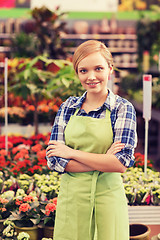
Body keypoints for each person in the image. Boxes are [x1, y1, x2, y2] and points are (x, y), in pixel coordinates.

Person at [46, 40, 137, 240]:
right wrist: (104, 160)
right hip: (73, 201)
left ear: (110, 69)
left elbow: (120, 163)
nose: (91, 77)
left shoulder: (122, 108)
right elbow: (54, 160)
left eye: (98, 68)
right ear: (77, 73)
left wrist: (71, 153)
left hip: (108, 200)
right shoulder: (68, 108)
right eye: (83, 70)